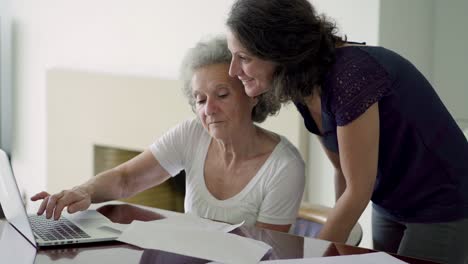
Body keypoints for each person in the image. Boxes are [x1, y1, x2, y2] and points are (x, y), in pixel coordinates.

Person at [225, 0, 468, 263]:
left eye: (244, 58)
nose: (233, 70)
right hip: (388, 199)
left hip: (442, 198)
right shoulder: (299, 83)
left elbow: (357, 190)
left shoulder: (351, 75)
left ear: (282, 52)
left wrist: (317, 256)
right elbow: (343, 170)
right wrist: (336, 247)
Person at [31, 36, 305, 233]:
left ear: (251, 93)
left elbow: (268, 253)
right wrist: (82, 191)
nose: (209, 109)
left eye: (222, 95)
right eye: (199, 99)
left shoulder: (284, 166)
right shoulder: (192, 133)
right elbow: (127, 179)